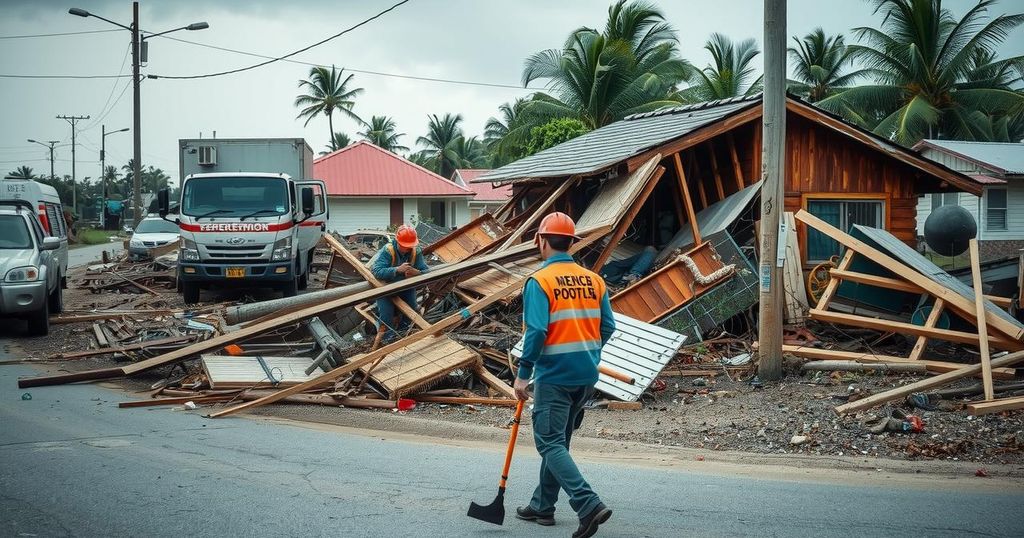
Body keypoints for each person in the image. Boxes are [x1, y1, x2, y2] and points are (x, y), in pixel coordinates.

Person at [514, 212, 616, 538]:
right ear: (571, 242)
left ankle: (588, 505)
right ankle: (542, 506)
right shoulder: (595, 280)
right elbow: (609, 327)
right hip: (586, 375)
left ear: (541, 241)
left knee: (549, 443)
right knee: (559, 443)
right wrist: (587, 353)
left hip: (554, 376)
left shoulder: (539, 281)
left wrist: (522, 374)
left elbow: (537, 331)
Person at [370, 224, 428, 341]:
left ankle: (403, 335)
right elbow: (376, 271)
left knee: (411, 312)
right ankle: (388, 340)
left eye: (410, 246)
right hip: (386, 288)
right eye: (405, 246)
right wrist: (397, 270)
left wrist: (417, 272)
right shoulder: (388, 250)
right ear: (398, 242)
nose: (408, 248)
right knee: (386, 317)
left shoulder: (415, 251)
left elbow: (426, 271)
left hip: (406, 287)